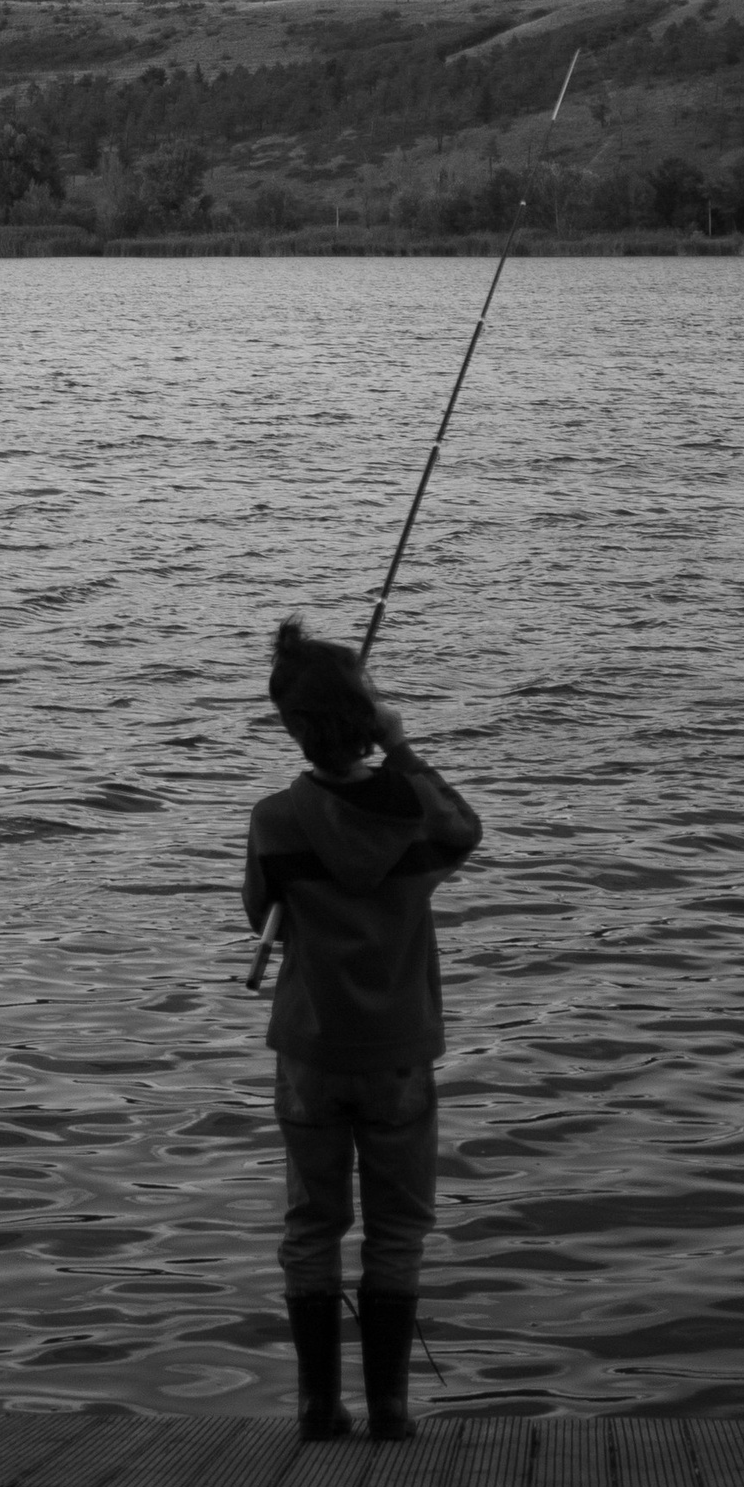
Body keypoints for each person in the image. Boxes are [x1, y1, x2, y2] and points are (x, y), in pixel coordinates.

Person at [243, 615, 483, 1443]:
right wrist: (402, 749)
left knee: (313, 1221)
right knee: (398, 1224)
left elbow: (257, 916)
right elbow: (467, 830)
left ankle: (317, 1405)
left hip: (310, 1051)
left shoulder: (276, 817)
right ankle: (389, 1407)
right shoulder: (415, 810)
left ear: (292, 728)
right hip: (399, 1055)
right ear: (368, 720)